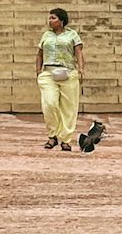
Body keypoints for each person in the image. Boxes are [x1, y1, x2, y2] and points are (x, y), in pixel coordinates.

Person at [35, 8, 84, 152]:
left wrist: (81, 69)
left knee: (69, 108)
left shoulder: (72, 35)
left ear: (61, 20)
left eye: (53, 18)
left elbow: (79, 52)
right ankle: (53, 135)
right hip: (49, 73)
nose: (50, 21)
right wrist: (38, 70)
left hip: (68, 72)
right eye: (49, 18)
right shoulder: (46, 35)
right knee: (49, 103)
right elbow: (39, 53)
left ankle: (65, 139)